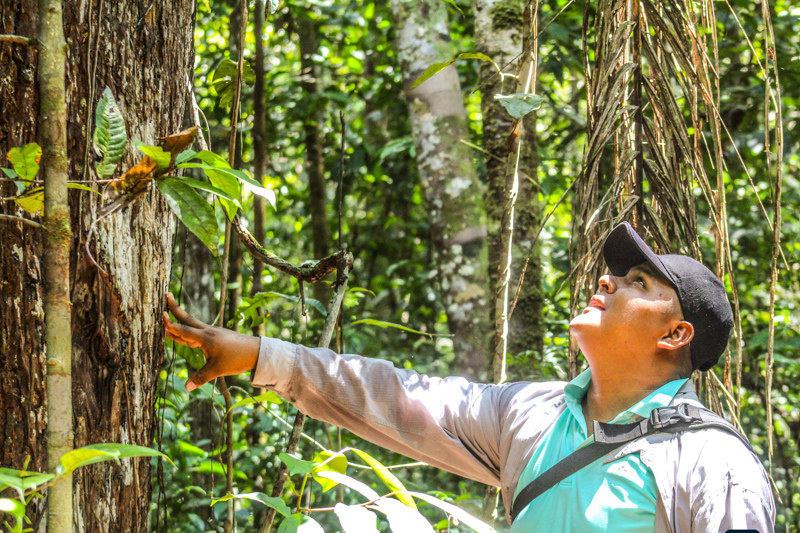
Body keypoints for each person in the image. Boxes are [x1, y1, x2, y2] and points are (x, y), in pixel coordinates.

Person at [163, 222, 775, 532]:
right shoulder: (532, 415)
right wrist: (259, 355)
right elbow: (397, 398)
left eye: (638, 283)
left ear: (675, 335)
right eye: (618, 274)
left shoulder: (711, 461)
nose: (607, 281)